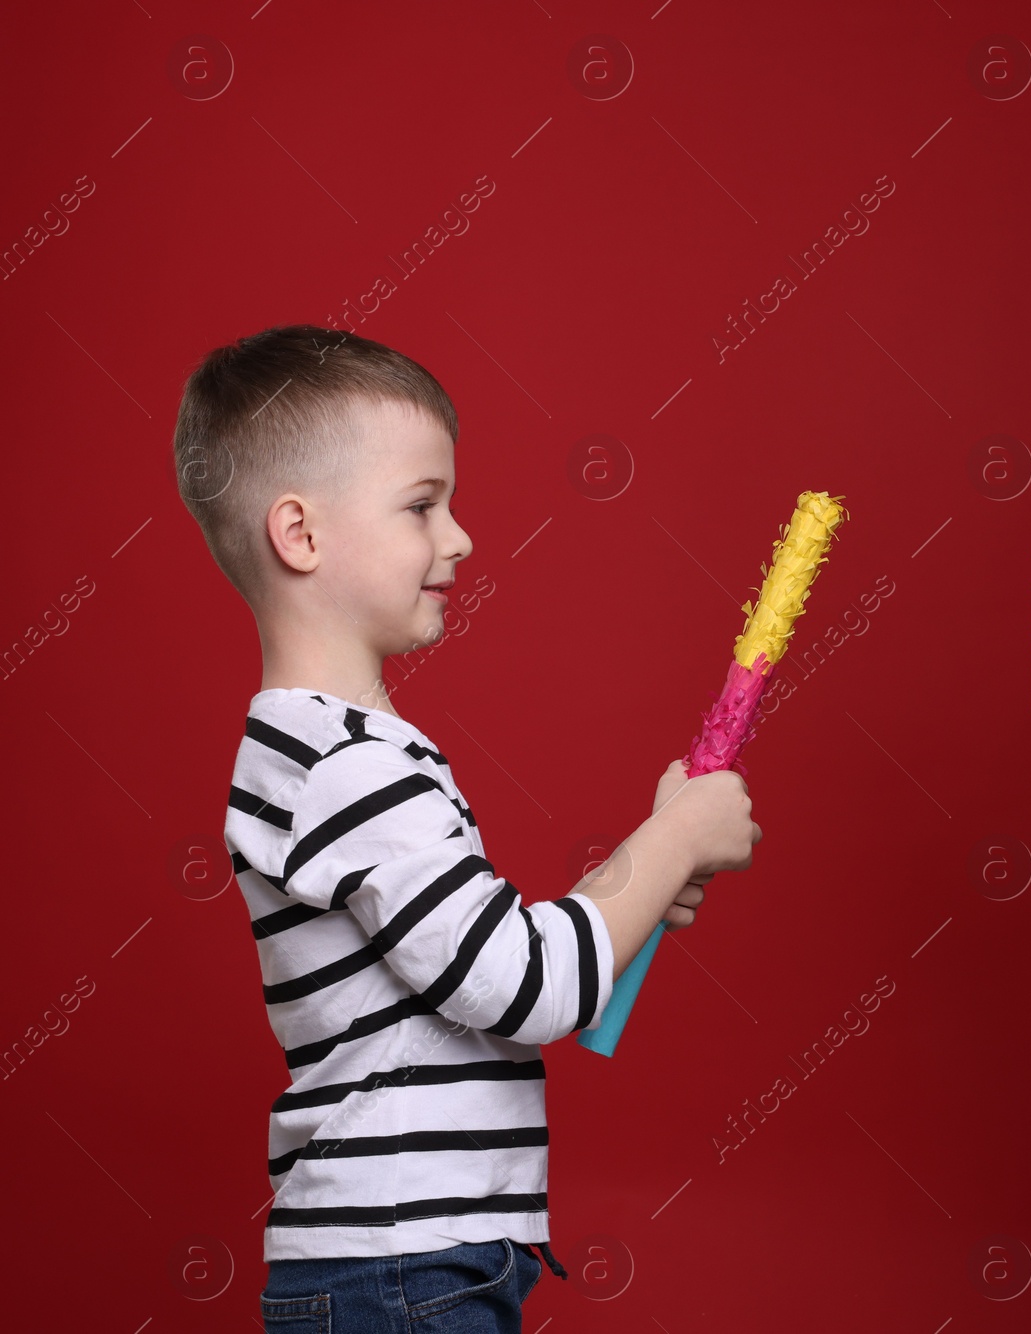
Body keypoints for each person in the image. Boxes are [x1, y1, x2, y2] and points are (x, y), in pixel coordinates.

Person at [172, 324, 760, 1331]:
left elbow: (483, 961)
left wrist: (647, 875)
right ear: (300, 534)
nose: (460, 537)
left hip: (409, 1259)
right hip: (405, 1270)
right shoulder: (349, 766)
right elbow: (519, 985)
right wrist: (670, 845)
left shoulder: (319, 749)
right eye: (421, 504)